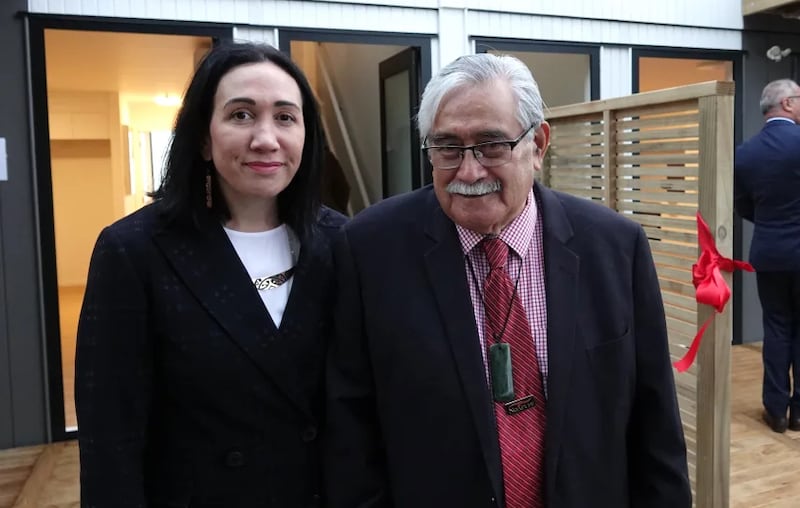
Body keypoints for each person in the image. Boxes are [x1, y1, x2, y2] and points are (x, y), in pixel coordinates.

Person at [324, 53, 691, 508]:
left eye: (491, 145)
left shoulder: (615, 247)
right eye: (447, 148)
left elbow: (655, 422)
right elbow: (350, 427)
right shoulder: (369, 250)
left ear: (538, 145)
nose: (469, 171)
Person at [75, 41, 346, 507]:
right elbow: (110, 438)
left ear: (306, 134)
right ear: (203, 136)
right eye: (241, 115)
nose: (266, 138)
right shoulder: (135, 250)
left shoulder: (342, 241)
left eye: (285, 117)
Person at [734, 78, 800, 434]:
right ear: (788, 103)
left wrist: (771, 221)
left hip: (769, 251)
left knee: (776, 327)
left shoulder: (745, 152)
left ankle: (775, 411)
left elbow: (742, 202)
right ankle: (799, 412)